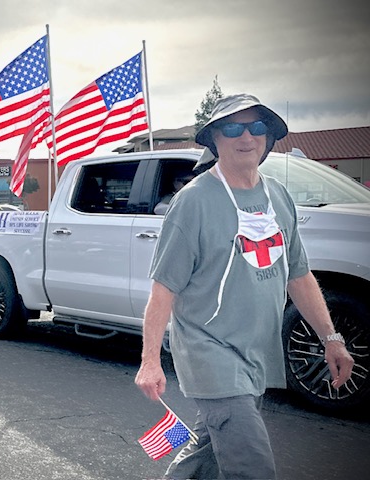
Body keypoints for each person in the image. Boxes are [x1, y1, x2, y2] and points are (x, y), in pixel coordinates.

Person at [134, 94, 354, 479]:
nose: (247, 136)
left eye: (257, 127)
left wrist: (331, 339)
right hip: (210, 353)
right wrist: (150, 360)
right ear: (215, 138)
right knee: (252, 466)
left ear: (268, 138)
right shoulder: (193, 202)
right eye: (233, 127)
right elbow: (163, 289)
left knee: (207, 453)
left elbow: (299, 275)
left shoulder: (278, 197)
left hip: (255, 354)